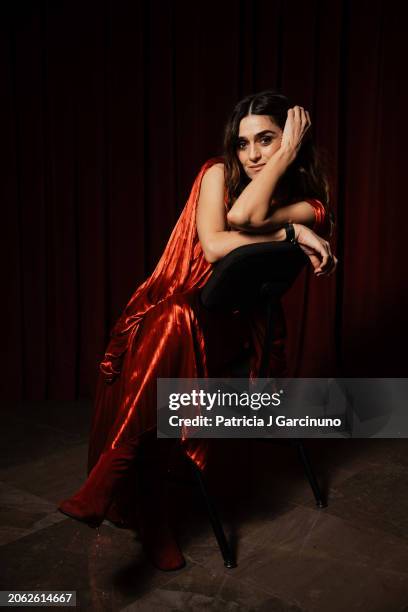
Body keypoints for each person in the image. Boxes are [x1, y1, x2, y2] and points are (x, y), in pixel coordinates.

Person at [57, 90, 337, 571]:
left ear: (290, 141)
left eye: (267, 140)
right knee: (171, 320)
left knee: (174, 325)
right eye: (243, 142)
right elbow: (213, 245)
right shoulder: (216, 172)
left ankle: (123, 477)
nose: (251, 154)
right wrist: (291, 234)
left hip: (234, 330)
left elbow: (244, 218)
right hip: (178, 310)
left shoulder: (312, 206)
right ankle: (154, 512)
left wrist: (290, 162)